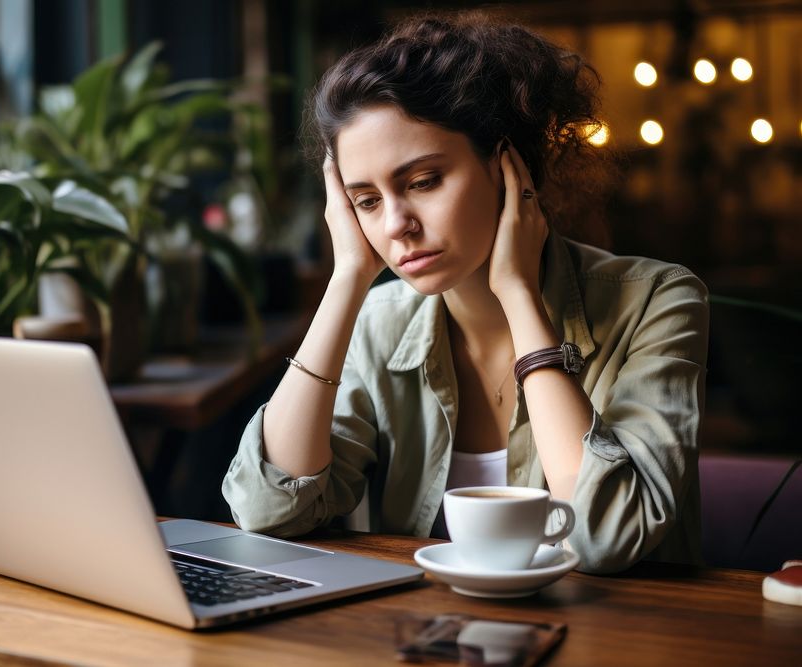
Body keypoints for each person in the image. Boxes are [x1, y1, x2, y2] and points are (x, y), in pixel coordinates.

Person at [222, 12, 709, 574]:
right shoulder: (380, 321)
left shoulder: (657, 300)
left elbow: (606, 537)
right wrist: (346, 278)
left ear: (510, 169)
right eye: (367, 200)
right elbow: (267, 510)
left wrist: (519, 294)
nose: (396, 224)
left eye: (423, 181)